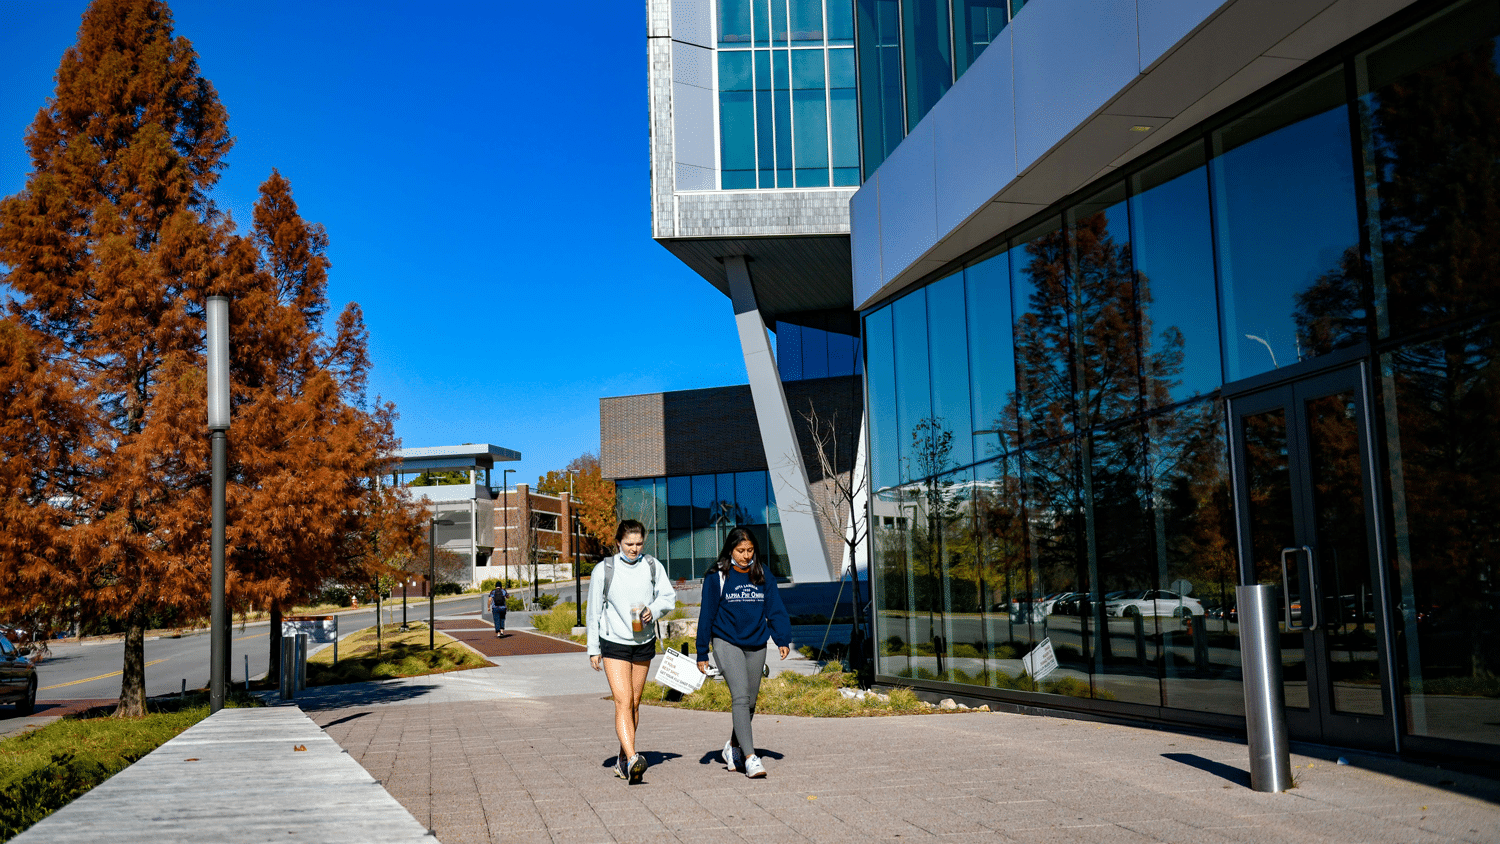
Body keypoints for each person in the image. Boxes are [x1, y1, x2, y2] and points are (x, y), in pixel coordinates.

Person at [696, 527, 791, 779]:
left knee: (749, 703)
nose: (746, 555)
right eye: (740, 551)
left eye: (750, 550)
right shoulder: (718, 576)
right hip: (726, 640)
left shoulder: (762, 574)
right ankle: (750, 758)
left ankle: (733, 747)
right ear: (730, 550)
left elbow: (775, 607)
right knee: (740, 696)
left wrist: (781, 638)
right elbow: (707, 614)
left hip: (757, 642)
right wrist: (701, 651)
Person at [587, 519, 675, 784]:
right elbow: (593, 611)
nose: (634, 549)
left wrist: (654, 609)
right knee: (623, 701)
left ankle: (623, 759)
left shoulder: (652, 566)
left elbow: (667, 597)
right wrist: (593, 648)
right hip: (614, 642)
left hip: (643, 642)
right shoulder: (604, 570)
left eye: (638, 544)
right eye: (629, 544)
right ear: (618, 542)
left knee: (635, 703)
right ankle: (635, 757)